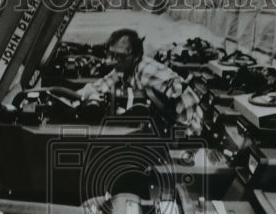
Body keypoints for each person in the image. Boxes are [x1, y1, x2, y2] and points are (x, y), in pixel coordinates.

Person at [76, 29, 205, 137]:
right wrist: (74, 98)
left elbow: (188, 96)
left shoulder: (147, 70)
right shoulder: (124, 68)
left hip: (187, 128)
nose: (114, 60)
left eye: (119, 56)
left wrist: (178, 132)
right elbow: (102, 84)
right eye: (112, 55)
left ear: (135, 56)